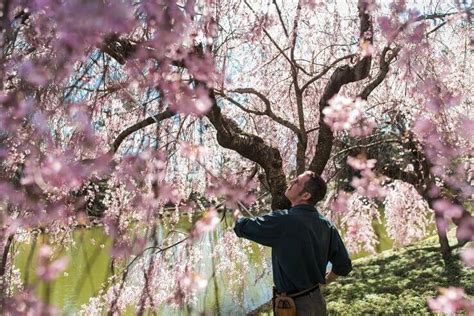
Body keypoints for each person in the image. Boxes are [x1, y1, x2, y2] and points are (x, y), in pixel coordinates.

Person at [234, 171, 352, 315]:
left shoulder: (284, 220)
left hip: (294, 307)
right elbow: (344, 265)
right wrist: (325, 281)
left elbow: (241, 227)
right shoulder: (327, 225)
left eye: (296, 182)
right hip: (317, 301)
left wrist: (234, 208)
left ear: (306, 195)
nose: (291, 182)